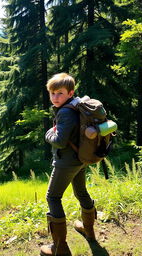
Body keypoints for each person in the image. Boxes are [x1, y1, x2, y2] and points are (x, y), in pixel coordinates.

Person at [40, 73, 97, 256]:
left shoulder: (65, 112)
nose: (55, 97)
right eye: (52, 93)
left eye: (60, 93)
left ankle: (60, 247)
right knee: (81, 192)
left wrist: (48, 133)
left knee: (53, 197)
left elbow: (59, 140)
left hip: (66, 163)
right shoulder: (75, 106)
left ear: (70, 93)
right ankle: (89, 231)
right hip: (80, 159)